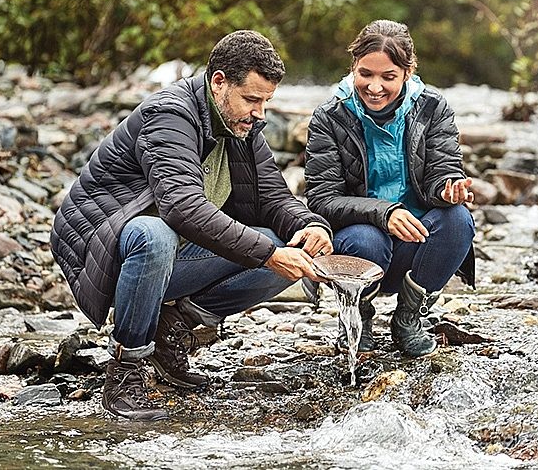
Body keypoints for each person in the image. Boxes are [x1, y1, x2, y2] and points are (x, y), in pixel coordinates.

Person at [50, 30, 333, 420]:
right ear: (219, 82)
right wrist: (268, 254)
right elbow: (181, 207)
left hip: (173, 254)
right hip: (103, 250)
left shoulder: (242, 126)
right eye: (252, 99)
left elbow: (273, 198)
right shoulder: (169, 115)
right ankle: (126, 369)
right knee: (157, 234)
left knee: (285, 246)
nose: (260, 113)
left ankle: (171, 331)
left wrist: (310, 225)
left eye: (267, 101)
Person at [305, 19, 475, 359]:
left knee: (458, 219)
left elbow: (441, 172)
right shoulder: (329, 116)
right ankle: (358, 318)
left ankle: (408, 319)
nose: (374, 87)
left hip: (416, 247)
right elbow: (323, 199)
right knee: (365, 238)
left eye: (388, 77)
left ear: (408, 72)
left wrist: (447, 190)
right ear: (353, 66)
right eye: (365, 74)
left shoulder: (433, 108)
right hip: (361, 246)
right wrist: (385, 213)